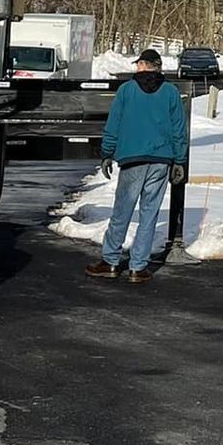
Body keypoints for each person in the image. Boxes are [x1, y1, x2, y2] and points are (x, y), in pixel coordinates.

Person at [85, 49, 187, 284]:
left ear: (142, 64)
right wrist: (179, 160)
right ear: (158, 66)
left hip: (132, 159)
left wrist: (107, 153)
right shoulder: (171, 92)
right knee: (149, 214)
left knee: (122, 212)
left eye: (138, 64)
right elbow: (179, 129)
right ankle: (137, 267)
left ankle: (110, 261)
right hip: (161, 160)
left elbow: (114, 124)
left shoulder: (126, 90)